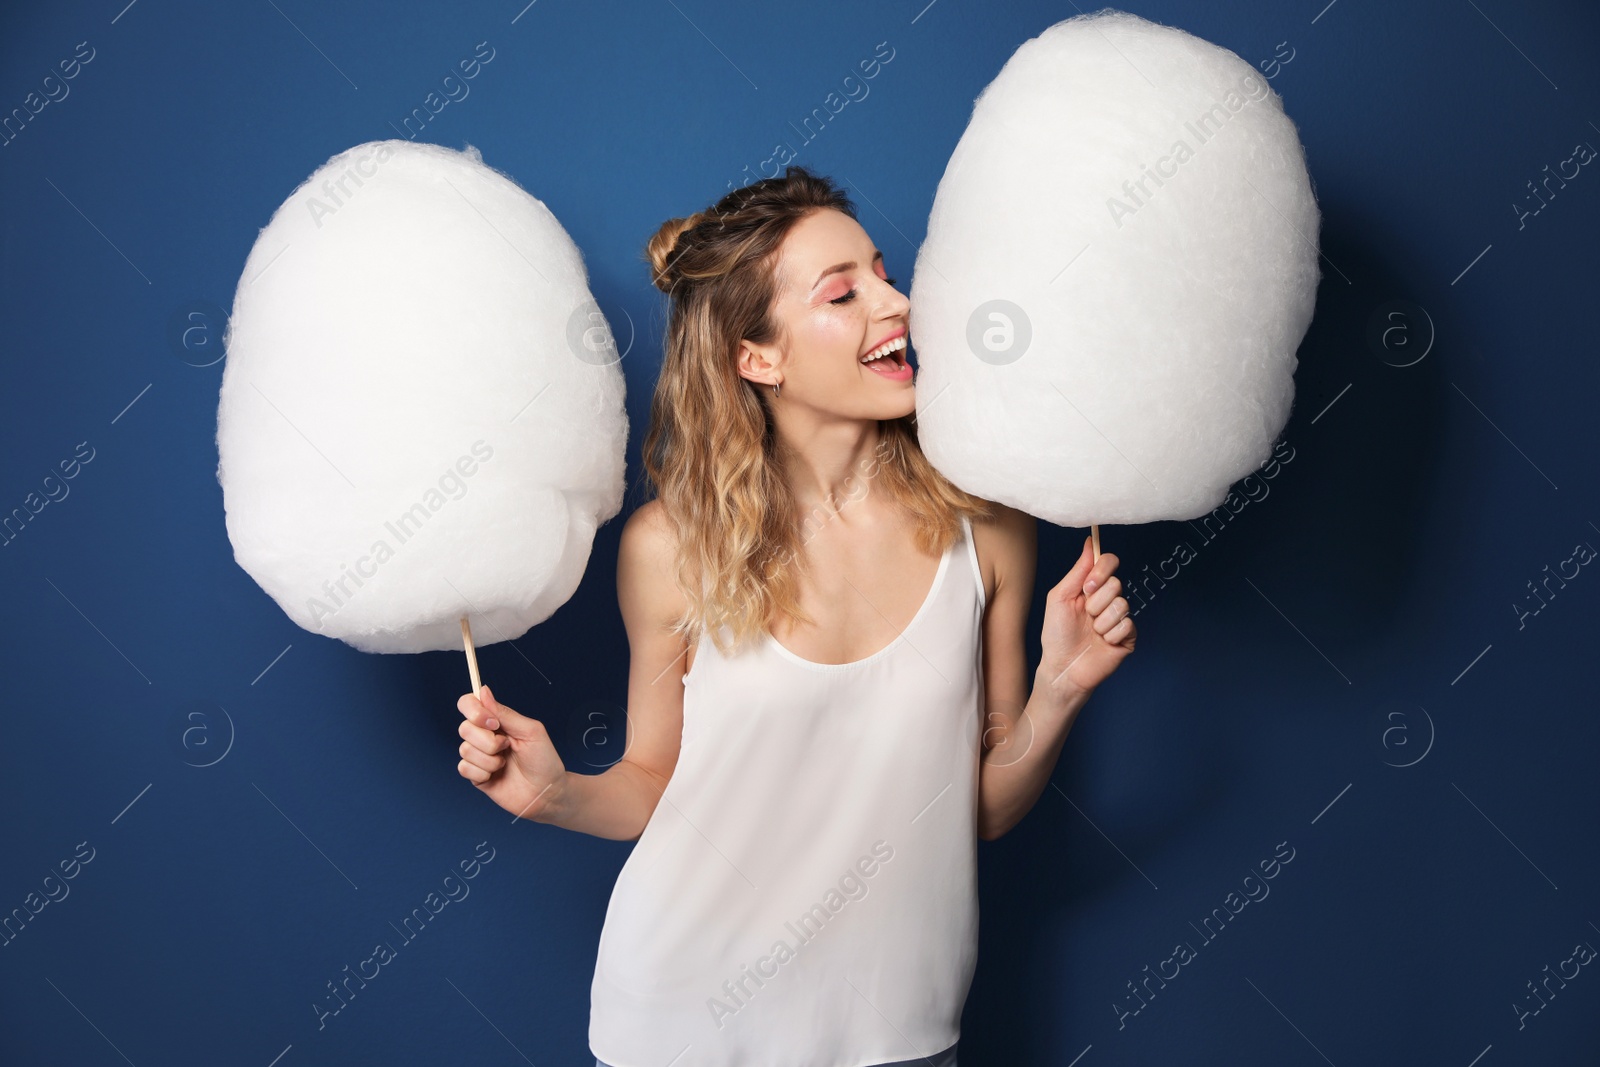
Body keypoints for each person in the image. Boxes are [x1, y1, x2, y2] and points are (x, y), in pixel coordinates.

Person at [455, 166, 1136, 1066]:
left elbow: (981, 810)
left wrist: (1059, 689)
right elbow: (654, 779)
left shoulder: (991, 526)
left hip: (903, 1029)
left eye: (884, 274)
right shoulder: (671, 548)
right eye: (843, 293)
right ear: (757, 357)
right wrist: (557, 794)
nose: (896, 303)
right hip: (683, 1021)